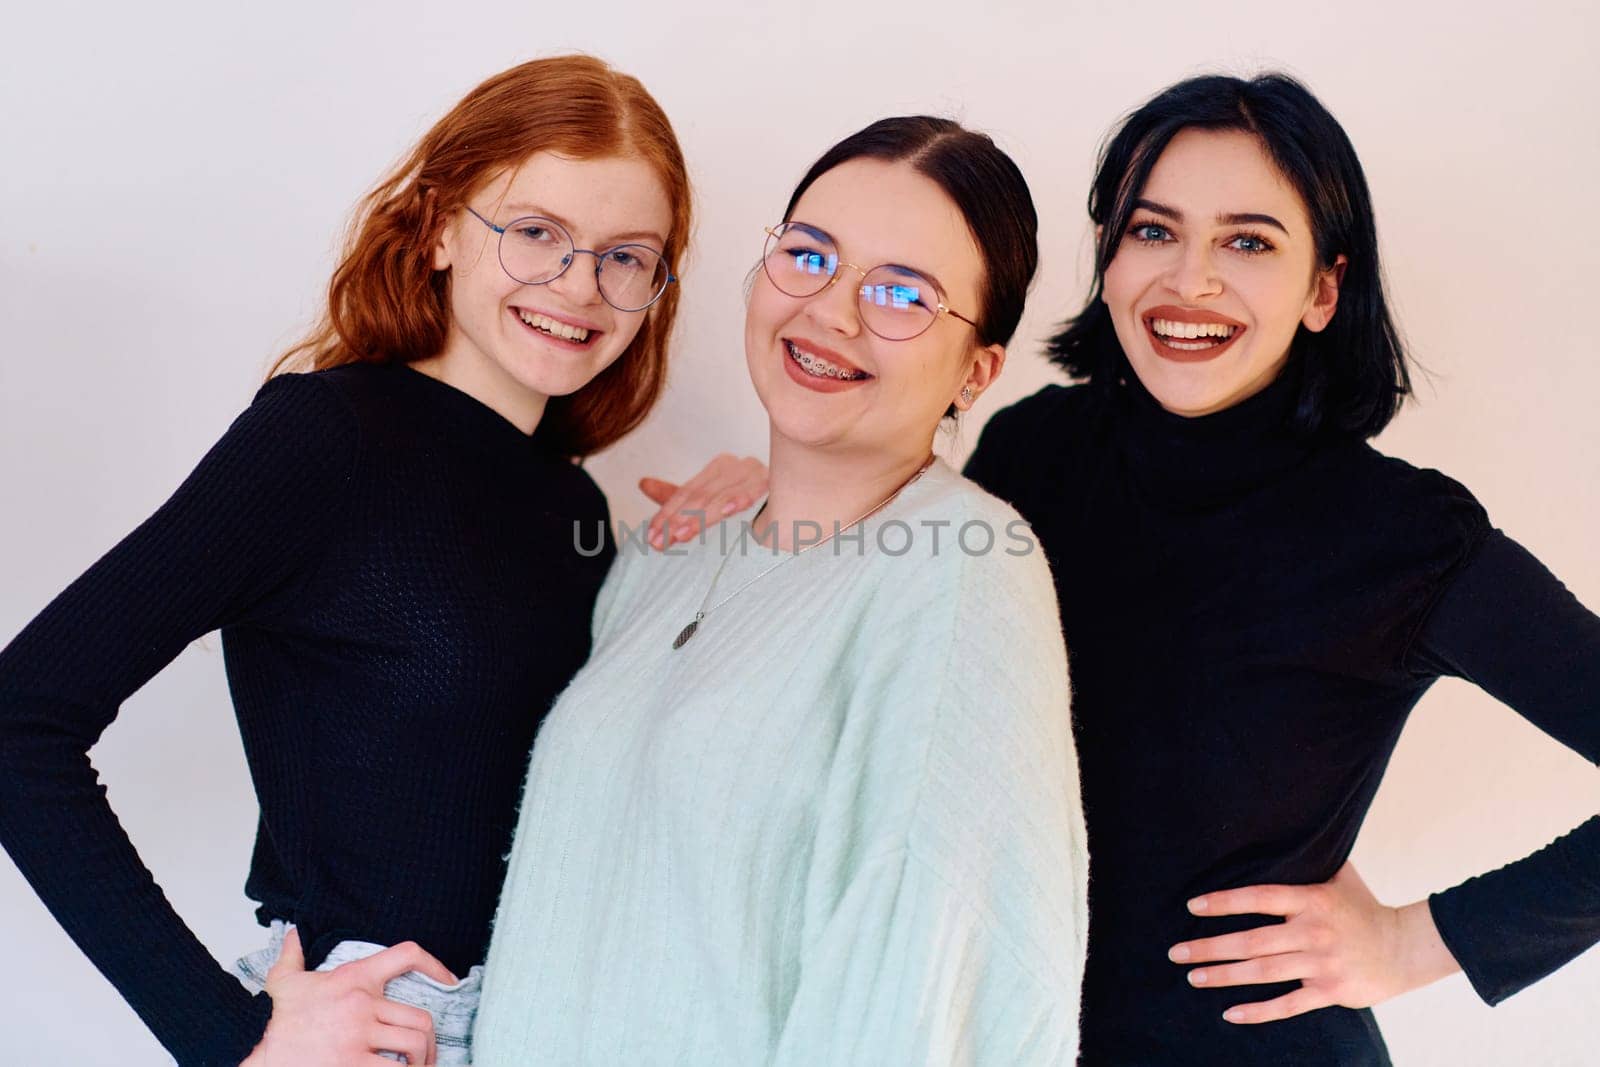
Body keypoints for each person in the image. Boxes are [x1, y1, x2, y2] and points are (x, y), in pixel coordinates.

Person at [0, 54, 720, 1066]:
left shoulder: (573, 499)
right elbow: (19, 718)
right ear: (436, 228)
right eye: (537, 234)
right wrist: (226, 1032)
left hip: (561, 1012)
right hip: (380, 1030)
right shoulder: (325, 438)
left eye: (626, 256)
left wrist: (728, 547)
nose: (580, 285)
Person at [962, 74, 1600, 1064]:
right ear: (1106, 252)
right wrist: (775, 492)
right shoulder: (1029, 451)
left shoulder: (1401, 534)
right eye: (1152, 230)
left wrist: (1419, 939)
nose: (1190, 280)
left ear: (1323, 290)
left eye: (1248, 241)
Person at [470, 116, 1089, 1066]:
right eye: (809, 256)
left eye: (899, 294)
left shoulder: (964, 571)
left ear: (977, 371)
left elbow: (926, 995)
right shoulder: (661, 559)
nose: (832, 312)